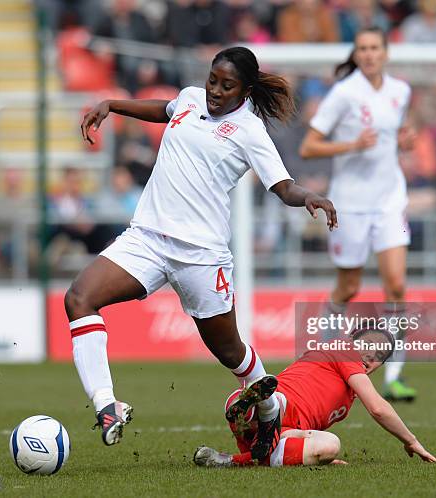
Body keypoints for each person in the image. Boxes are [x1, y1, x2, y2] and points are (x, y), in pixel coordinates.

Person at [69, 46, 337, 461]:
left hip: (202, 254)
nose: (214, 90)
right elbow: (166, 109)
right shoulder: (192, 98)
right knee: (79, 299)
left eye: (226, 85)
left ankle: (270, 410)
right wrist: (111, 105)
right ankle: (107, 405)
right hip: (148, 239)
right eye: (213, 79)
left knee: (228, 350)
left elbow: (283, 186)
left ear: (244, 90)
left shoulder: (249, 130)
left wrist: (310, 197)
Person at [299, 27, 416, 401]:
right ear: (356, 54)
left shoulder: (400, 91)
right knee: (349, 287)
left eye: (374, 48)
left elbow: (394, 136)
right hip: (349, 202)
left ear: (385, 53)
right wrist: (351, 144)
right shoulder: (344, 93)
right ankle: (322, 353)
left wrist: (403, 142)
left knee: (395, 283)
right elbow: (308, 147)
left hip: (389, 199)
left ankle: (394, 374)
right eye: (362, 48)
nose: (368, 54)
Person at [194, 327, 436, 467]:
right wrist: (411, 441)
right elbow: (378, 408)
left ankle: (232, 458)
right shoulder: (342, 350)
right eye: (368, 345)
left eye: (380, 355)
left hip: (281, 434)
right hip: (281, 405)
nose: (371, 355)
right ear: (351, 341)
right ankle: (252, 407)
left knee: (330, 445)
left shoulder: (347, 395)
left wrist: (316, 456)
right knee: (272, 401)